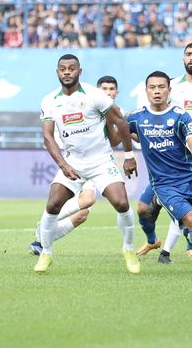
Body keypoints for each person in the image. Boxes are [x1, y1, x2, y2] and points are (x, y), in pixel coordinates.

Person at [33, 54, 139, 274]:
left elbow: (120, 121)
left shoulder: (95, 95)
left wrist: (129, 156)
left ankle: (129, 250)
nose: (67, 72)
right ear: (57, 73)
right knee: (53, 204)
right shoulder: (49, 101)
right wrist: (63, 165)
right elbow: (48, 137)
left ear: (79, 71)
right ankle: (46, 253)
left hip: (101, 159)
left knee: (121, 203)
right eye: (63, 69)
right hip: (73, 161)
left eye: (72, 68)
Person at [126, 71, 192, 278]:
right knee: (190, 219)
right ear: (146, 91)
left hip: (190, 178)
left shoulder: (180, 115)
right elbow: (121, 131)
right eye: (152, 87)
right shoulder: (137, 117)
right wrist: (128, 153)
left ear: (169, 90)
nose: (157, 91)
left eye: (161, 87)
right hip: (164, 184)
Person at [27, 75, 123, 255]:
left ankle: (41, 241)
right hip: (76, 160)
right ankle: (43, 225)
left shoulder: (116, 112)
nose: (108, 93)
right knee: (87, 200)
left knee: (81, 215)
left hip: (100, 162)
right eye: (104, 89)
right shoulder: (87, 103)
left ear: (117, 92)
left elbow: (116, 140)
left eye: (111, 89)